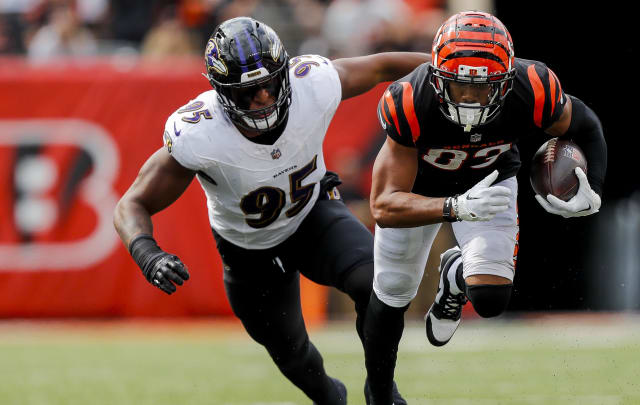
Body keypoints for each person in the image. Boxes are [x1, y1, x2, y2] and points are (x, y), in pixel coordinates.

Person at [113, 17, 428, 405]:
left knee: (377, 285)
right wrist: (147, 253)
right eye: (247, 92)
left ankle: (381, 393)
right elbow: (133, 202)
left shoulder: (311, 83)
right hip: (249, 253)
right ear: (222, 91)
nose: (262, 97)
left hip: (313, 217)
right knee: (293, 355)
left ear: (284, 73)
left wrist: (447, 68)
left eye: (268, 84)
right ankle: (332, 398)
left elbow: (382, 66)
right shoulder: (199, 133)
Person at [363, 11, 607, 404]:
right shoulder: (410, 100)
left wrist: (592, 187)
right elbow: (384, 205)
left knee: (492, 302)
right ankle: (378, 393)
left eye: (484, 87)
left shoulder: (534, 87)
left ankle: (456, 278)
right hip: (421, 190)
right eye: (459, 86)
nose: (471, 98)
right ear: (438, 76)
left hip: (491, 181)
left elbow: (584, 124)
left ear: (508, 80)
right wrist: (454, 207)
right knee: (393, 289)